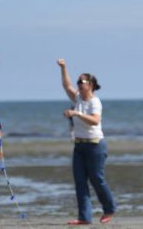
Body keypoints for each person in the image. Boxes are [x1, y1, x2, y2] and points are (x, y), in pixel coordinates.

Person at [57, 59, 116, 225]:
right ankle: (84, 217)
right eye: (78, 82)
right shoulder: (78, 98)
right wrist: (63, 68)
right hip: (79, 145)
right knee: (80, 181)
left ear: (90, 85)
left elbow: (95, 120)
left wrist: (76, 114)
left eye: (82, 82)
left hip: (95, 145)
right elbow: (67, 85)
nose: (78, 84)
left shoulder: (94, 102)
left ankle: (109, 208)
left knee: (97, 178)